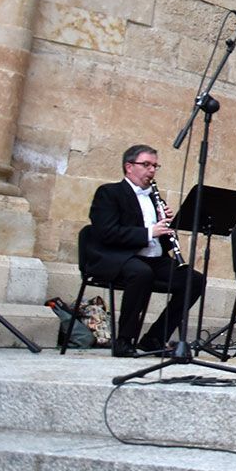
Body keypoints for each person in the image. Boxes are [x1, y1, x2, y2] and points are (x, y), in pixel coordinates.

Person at [84, 144, 205, 357]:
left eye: (155, 166)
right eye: (146, 165)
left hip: (154, 259)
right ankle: (124, 340)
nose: (152, 170)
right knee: (141, 273)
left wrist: (168, 226)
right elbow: (107, 233)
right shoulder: (109, 193)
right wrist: (150, 232)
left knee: (193, 280)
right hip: (120, 256)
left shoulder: (155, 198)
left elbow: (163, 241)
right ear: (129, 167)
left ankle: (154, 338)